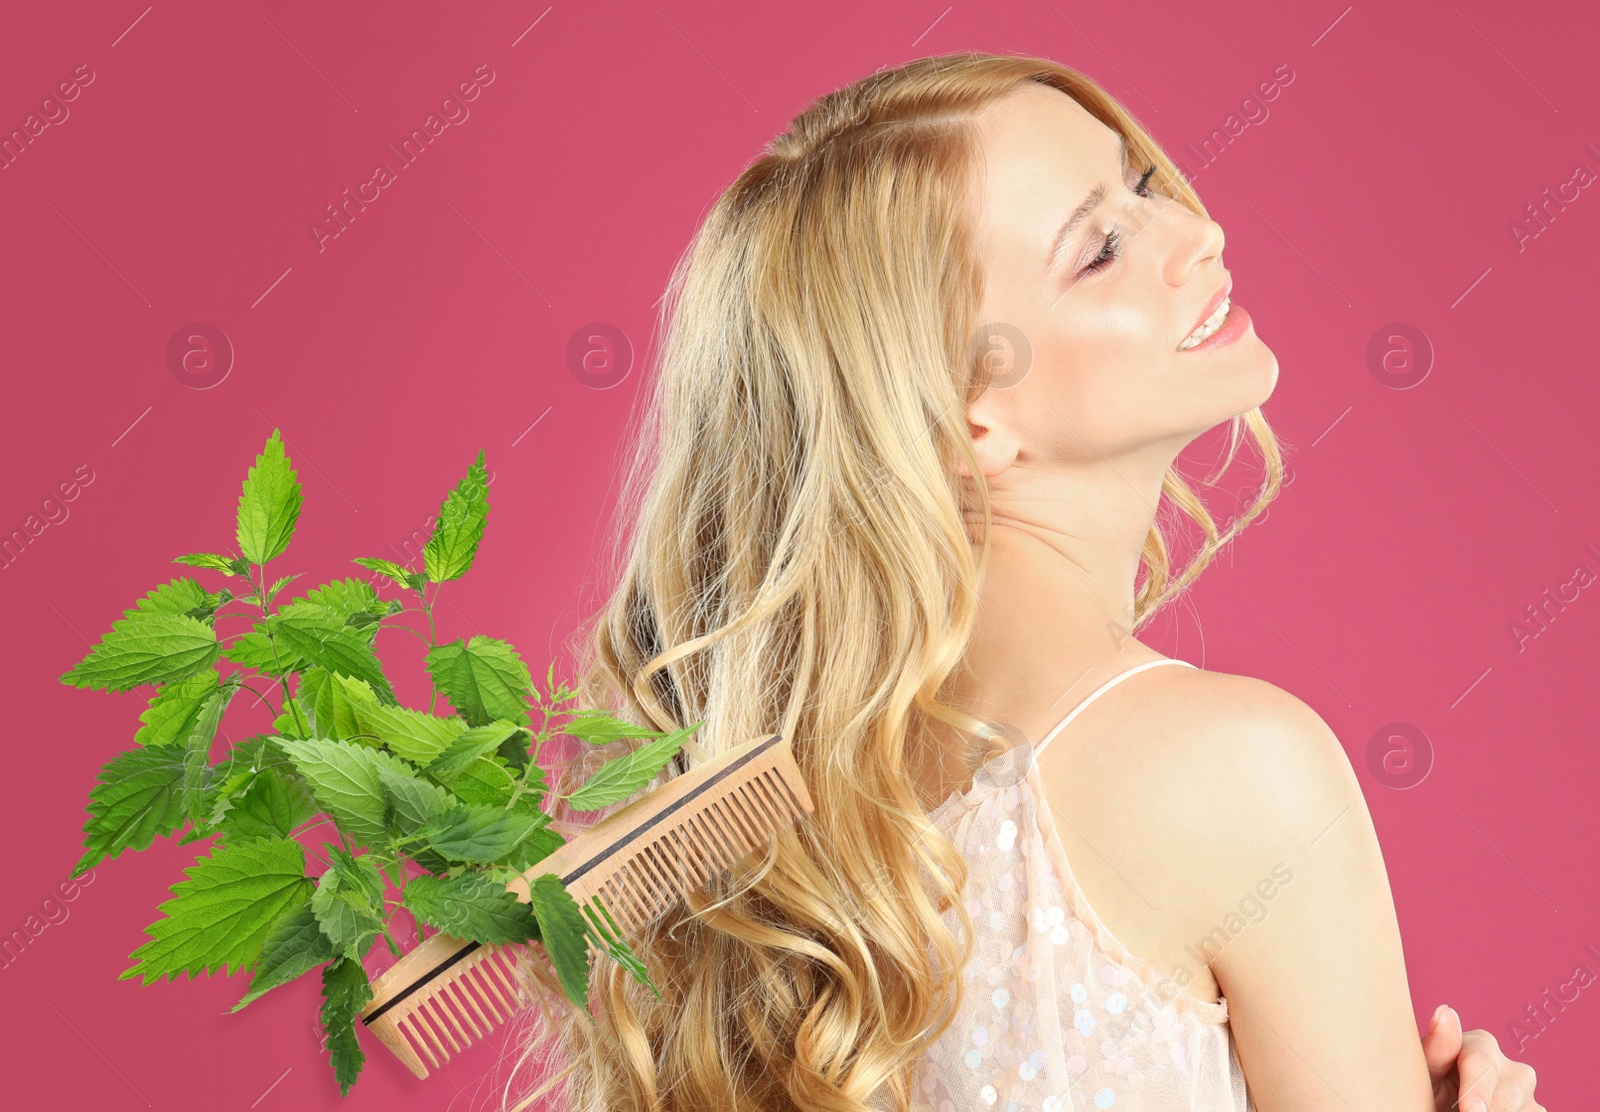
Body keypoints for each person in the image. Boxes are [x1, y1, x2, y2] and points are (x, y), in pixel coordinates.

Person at [506, 51, 1544, 1112]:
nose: (1197, 234)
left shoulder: (796, 841)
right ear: (967, 418)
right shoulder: (1238, 771)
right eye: (1099, 248)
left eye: (1140, 184)